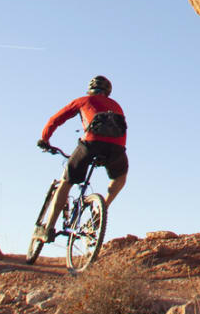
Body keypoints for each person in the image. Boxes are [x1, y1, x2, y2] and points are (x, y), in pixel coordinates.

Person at [33, 75, 129, 242]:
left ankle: (48, 229)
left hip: (91, 144)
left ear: (90, 90)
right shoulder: (116, 106)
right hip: (117, 148)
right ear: (108, 92)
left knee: (66, 181)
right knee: (119, 178)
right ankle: (101, 209)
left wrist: (45, 139)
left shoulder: (83, 100)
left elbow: (55, 120)